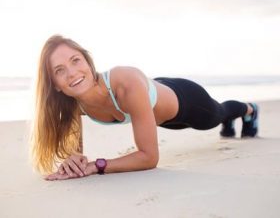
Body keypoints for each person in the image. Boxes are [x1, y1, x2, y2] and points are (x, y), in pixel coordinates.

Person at [30, 35, 258, 181]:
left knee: (217, 114)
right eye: (59, 70)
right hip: (159, 113)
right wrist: (73, 160)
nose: (71, 73)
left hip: (185, 100)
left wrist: (97, 166)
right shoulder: (73, 103)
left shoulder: (124, 83)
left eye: (75, 60)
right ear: (55, 85)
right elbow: (76, 152)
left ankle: (249, 110)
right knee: (213, 116)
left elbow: (149, 158)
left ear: (87, 61)